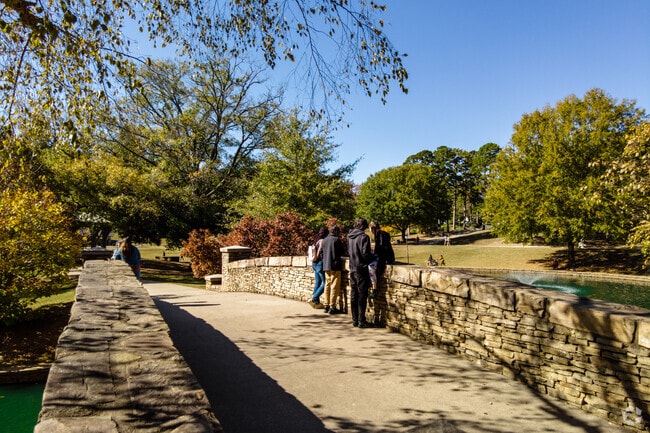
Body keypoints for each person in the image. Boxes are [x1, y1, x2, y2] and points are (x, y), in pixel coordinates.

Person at [348, 218, 375, 328]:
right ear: (363, 226)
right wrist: (373, 256)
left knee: (354, 294)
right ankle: (361, 320)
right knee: (362, 295)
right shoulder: (364, 237)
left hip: (352, 268)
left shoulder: (349, 236)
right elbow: (365, 254)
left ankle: (354, 319)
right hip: (361, 269)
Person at [320, 224, 345, 314]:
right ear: (335, 231)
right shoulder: (336, 240)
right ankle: (332, 307)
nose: (339, 233)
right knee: (334, 286)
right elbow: (342, 251)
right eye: (338, 232)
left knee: (327, 285)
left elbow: (321, 253)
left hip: (326, 265)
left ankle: (326, 305)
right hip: (335, 265)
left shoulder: (325, 240)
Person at [368, 221, 395, 299]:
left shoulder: (380, 235)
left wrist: (374, 256)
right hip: (387, 257)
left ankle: (374, 289)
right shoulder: (379, 234)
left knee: (371, 267)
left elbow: (382, 249)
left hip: (386, 258)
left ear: (372, 228)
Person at [307, 227, 328, 309]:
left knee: (318, 282)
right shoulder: (322, 241)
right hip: (319, 263)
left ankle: (316, 303)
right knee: (325, 283)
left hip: (314, 263)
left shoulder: (316, 240)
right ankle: (314, 298)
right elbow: (319, 253)